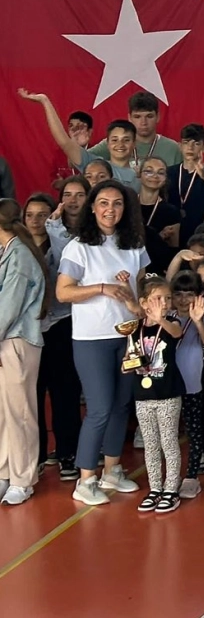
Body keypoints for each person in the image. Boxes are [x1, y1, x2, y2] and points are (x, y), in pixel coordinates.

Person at [57, 180, 149, 506]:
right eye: (104, 203)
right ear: (93, 208)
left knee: (122, 405)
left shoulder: (133, 244)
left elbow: (142, 285)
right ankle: (85, 479)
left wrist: (139, 297)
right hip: (92, 339)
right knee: (99, 408)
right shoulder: (78, 247)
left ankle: (112, 470)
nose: (111, 209)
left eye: (117, 203)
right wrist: (102, 288)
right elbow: (63, 292)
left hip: (128, 335)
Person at [119, 277, 187, 513]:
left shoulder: (171, 322)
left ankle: (171, 489)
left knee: (169, 442)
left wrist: (160, 320)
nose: (164, 303)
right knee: (150, 444)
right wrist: (127, 364)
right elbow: (127, 359)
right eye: (158, 298)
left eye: (168, 298)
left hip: (168, 394)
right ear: (144, 303)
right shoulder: (134, 329)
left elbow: (176, 333)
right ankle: (155, 488)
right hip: (143, 396)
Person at [25, 190, 80, 482]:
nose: (35, 221)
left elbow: (67, 265)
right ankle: (35, 455)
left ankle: (67, 453)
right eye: (30, 215)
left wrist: (56, 229)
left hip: (60, 325)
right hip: (27, 329)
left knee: (64, 393)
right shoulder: (15, 248)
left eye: (42, 215)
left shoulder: (63, 245)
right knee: (31, 395)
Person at [0, 198, 48, 505]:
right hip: (6, 340)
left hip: (17, 340)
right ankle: (6, 471)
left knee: (20, 412)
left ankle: (23, 478)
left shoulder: (19, 255)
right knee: (5, 413)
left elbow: (8, 307)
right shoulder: (8, 252)